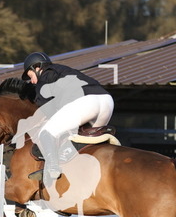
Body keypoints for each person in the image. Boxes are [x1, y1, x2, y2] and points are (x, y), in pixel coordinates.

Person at [20, 51, 114, 183]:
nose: (32, 81)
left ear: (37, 67)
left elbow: (45, 104)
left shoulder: (45, 75)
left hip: (87, 102)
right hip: (107, 101)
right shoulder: (64, 70)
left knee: (46, 132)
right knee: (84, 139)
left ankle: (52, 168)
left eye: (31, 76)